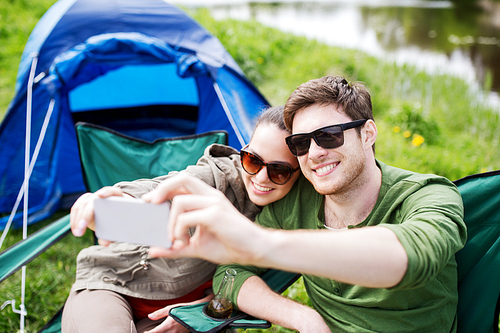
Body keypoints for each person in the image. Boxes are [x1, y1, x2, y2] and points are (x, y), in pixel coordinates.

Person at [146, 75, 467, 333]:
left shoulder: (428, 196)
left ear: (368, 134)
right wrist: (303, 318)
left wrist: (260, 242)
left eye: (329, 136)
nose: (314, 153)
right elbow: (231, 272)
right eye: (301, 143)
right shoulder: (296, 201)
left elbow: (409, 258)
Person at [60, 105, 314, 333]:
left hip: (181, 314)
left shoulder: (291, 219)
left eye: (278, 170)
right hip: (113, 285)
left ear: (299, 172)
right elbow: (164, 188)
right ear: (242, 152)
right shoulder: (218, 178)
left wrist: (200, 313)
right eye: (252, 160)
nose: (260, 177)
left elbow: (240, 288)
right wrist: (118, 199)